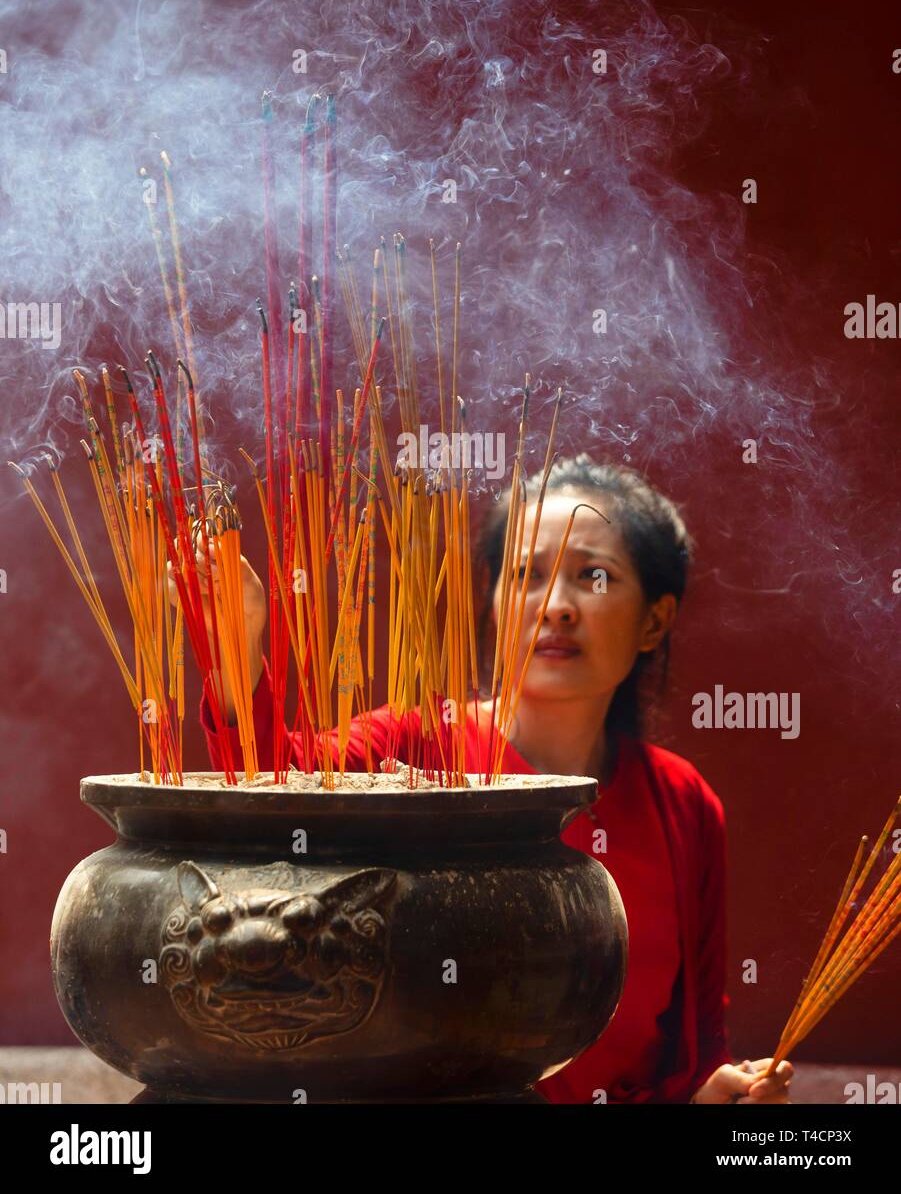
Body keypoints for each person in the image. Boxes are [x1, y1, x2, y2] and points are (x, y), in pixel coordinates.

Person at [178, 454, 793, 1105]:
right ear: (495, 601)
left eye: (593, 576)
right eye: (526, 574)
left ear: (654, 620)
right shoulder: (415, 744)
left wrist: (717, 1093)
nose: (555, 606)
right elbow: (269, 783)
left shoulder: (681, 801)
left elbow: (696, 1041)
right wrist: (236, 650)